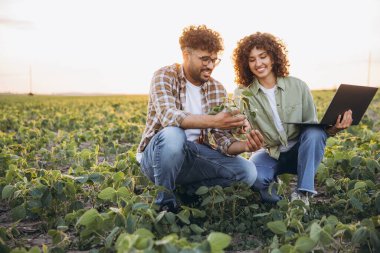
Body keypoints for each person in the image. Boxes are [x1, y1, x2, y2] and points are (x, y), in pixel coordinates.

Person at [136, 25, 264, 212]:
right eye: (205, 59)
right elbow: (168, 116)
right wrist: (215, 120)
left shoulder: (216, 88)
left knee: (248, 172)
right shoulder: (164, 75)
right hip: (157, 158)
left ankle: (187, 191)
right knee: (174, 134)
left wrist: (246, 146)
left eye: (214, 60)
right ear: (186, 54)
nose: (211, 66)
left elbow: (223, 142)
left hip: (194, 155)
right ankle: (165, 203)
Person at [232, 32, 353, 205]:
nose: (258, 63)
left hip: (298, 151)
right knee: (257, 180)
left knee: (314, 133)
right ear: (246, 64)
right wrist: (240, 127)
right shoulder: (243, 93)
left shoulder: (298, 86)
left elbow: (315, 131)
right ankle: (278, 198)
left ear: (273, 57)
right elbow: (238, 126)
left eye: (263, 56)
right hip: (268, 153)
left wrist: (334, 129)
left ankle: (303, 195)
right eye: (252, 59)